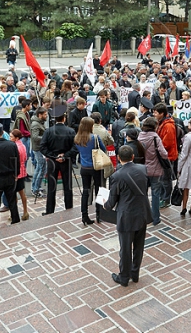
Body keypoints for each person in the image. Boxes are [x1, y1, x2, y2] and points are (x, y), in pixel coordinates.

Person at [104, 145, 152, 287]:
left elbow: (111, 202)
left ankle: (124, 277)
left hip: (126, 216)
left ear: (119, 158)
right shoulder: (143, 169)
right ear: (132, 157)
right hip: (142, 212)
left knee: (125, 248)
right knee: (139, 245)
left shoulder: (116, 176)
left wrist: (104, 203)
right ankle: (135, 273)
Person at [40, 105, 77, 215]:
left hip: (52, 161)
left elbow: (42, 147)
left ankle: (49, 211)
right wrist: (64, 156)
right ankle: (69, 208)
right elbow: (75, 148)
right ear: (64, 118)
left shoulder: (48, 131)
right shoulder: (70, 131)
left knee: (52, 186)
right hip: (66, 161)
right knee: (67, 186)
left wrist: (54, 156)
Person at [72, 117, 106, 225]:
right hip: (96, 167)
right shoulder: (95, 137)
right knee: (99, 190)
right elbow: (103, 149)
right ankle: (99, 214)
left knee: (85, 191)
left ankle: (84, 215)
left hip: (84, 167)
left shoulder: (77, 138)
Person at [10, 129, 30, 220]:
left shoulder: (14, 147)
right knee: (22, 194)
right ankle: (25, 212)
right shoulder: (23, 145)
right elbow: (25, 157)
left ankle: (14, 214)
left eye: (11, 137)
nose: (10, 138)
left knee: (13, 195)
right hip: (22, 171)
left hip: (16, 173)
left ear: (16, 138)